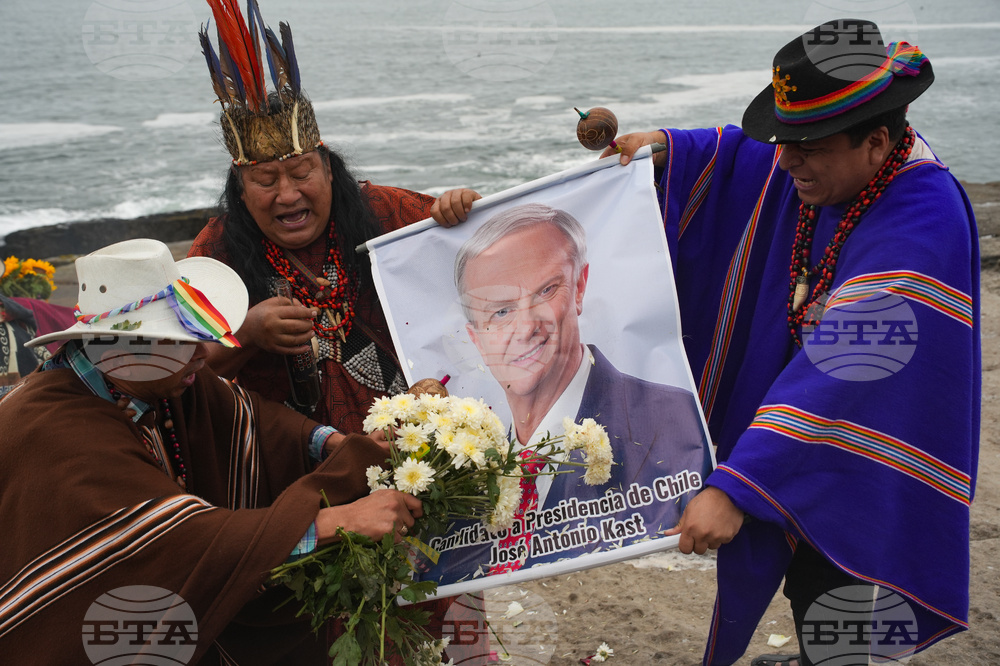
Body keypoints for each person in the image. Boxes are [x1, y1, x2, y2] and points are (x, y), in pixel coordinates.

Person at [598, 18, 979, 666]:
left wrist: (738, 481)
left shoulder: (923, 218)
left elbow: (845, 366)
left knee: (847, 603)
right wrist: (665, 148)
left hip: (870, 454)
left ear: (878, 141)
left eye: (807, 145)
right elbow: (741, 158)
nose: (786, 160)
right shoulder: (835, 168)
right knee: (815, 605)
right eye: (785, 139)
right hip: (807, 440)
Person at [0, 239, 422, 664]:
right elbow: (174, 547)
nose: (203, 352)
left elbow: (249, 416)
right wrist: (336, 522)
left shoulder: (138, 373)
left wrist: (337, 444)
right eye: (181, 338)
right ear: (126, 346)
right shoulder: (60, 435)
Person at [187, 2, 473, 435]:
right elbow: (176, 372)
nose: (288, 193)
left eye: (302, 173)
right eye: (266, 180)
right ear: (240, 191)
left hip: (423, 443)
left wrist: (465, 209)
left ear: (328, 169)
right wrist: (246, 332)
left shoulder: (384, 210)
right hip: (294, 462)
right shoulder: (215, 253)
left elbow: (499, 246)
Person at [417, 203, 712, 585]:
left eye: (545, 291)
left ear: (580, 287)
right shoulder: (461, 473)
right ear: (476, 338)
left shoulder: (671, 417)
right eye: (501, 312)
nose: (525, 327)